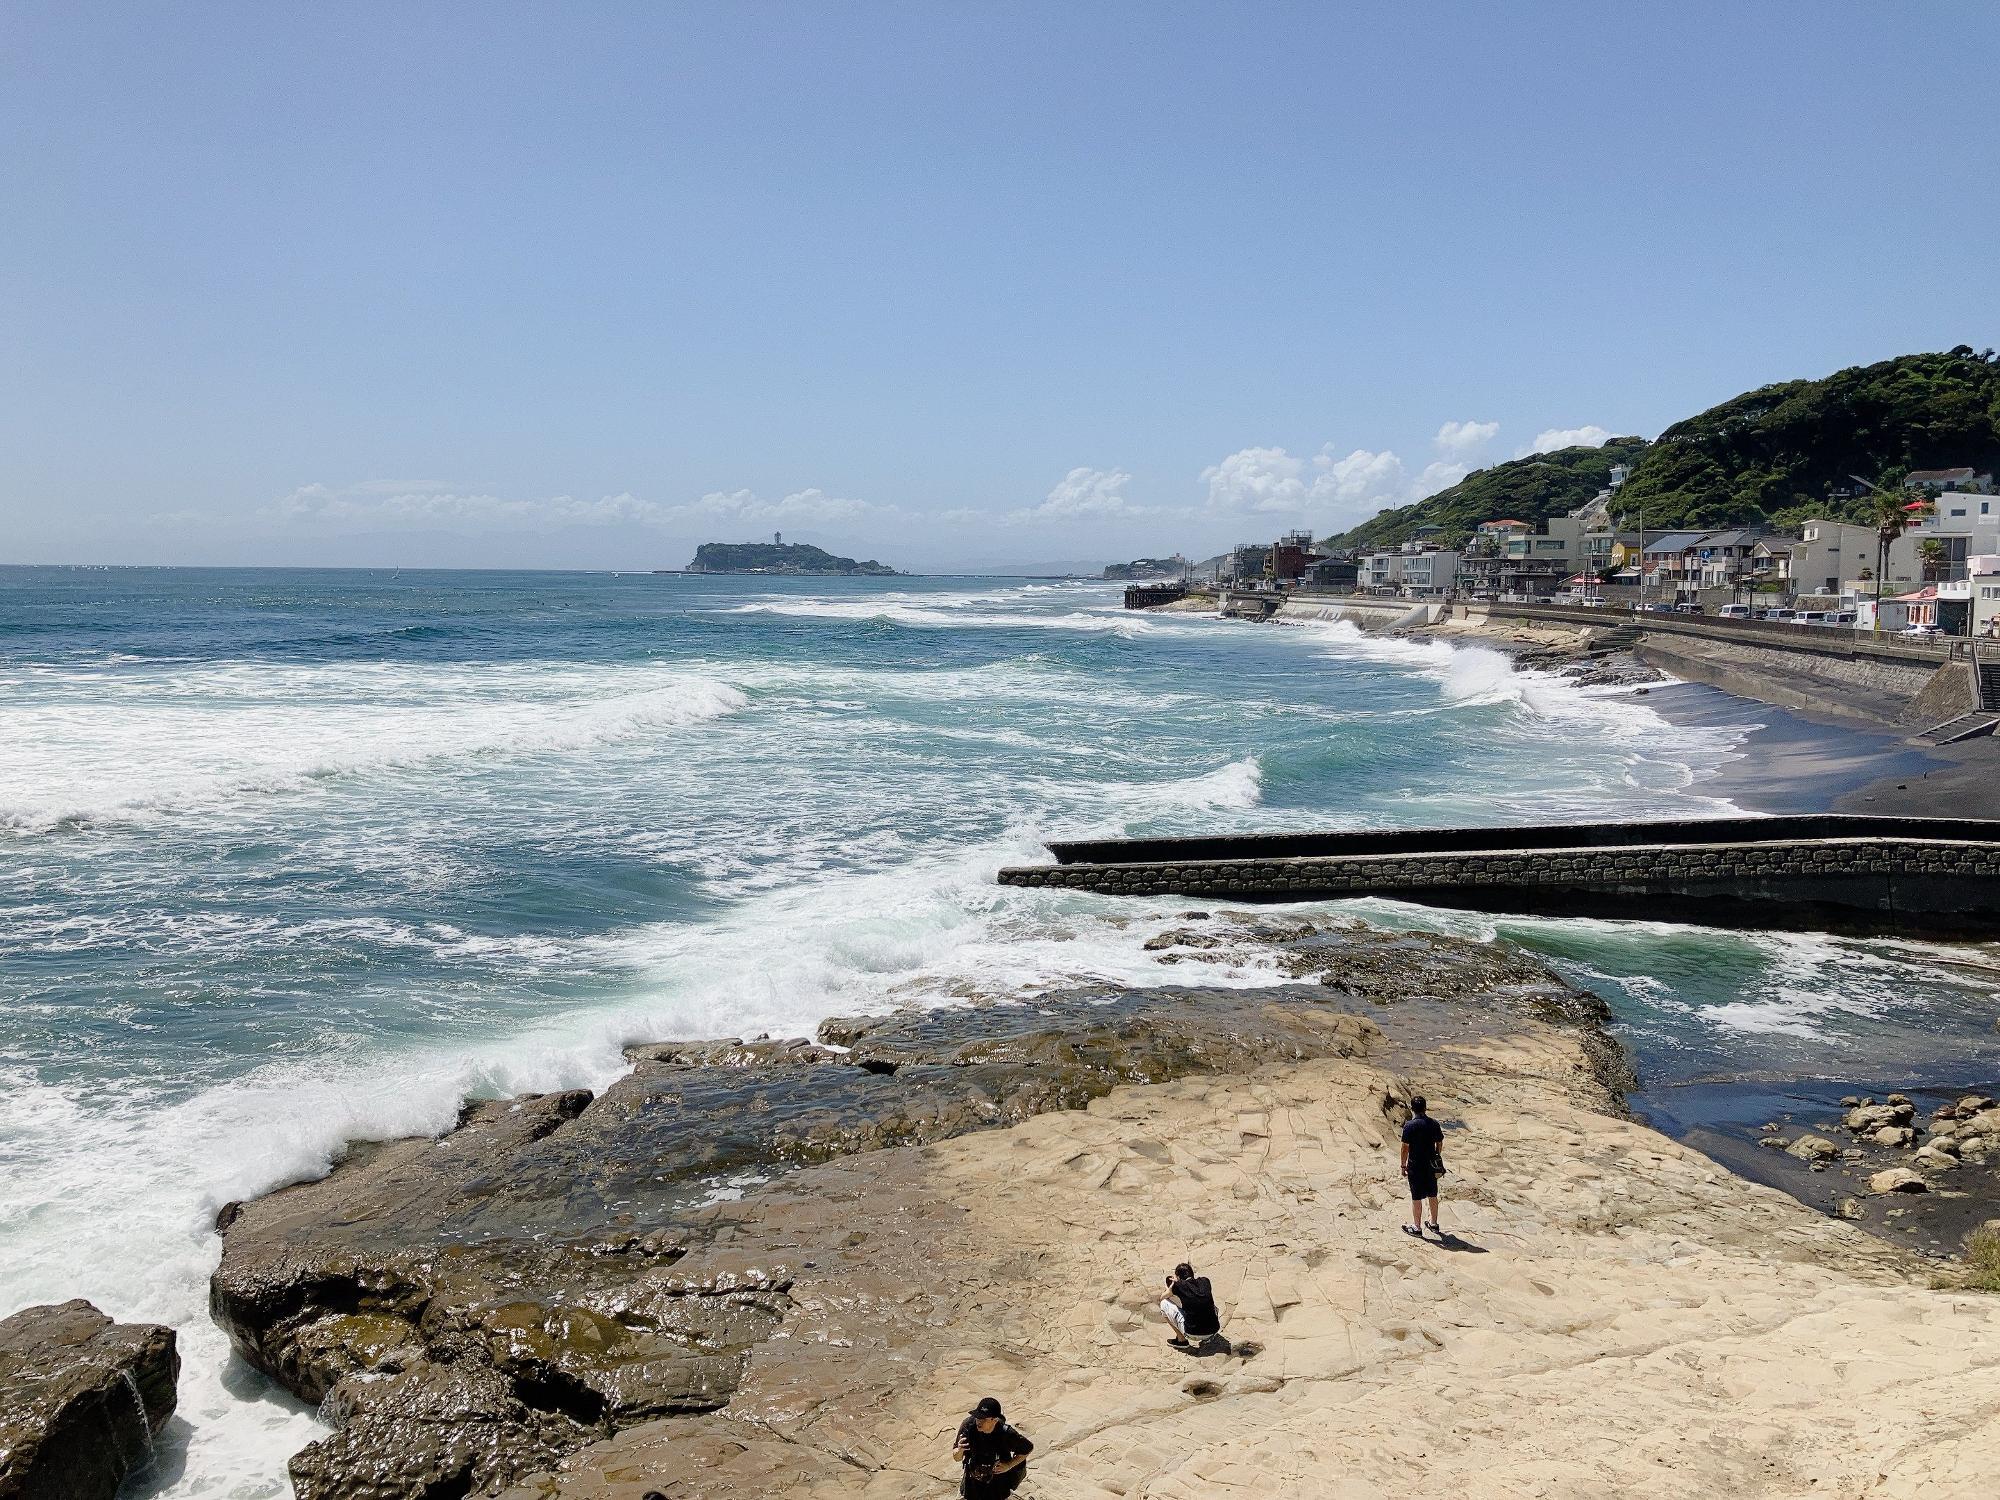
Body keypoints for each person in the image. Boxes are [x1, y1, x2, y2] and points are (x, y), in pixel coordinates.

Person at [953, 1397, 1032, 1498]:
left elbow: (1027, 1448)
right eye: (977, 1417)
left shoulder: (1006, 1433)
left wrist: (1009, 1465)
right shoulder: (969, 1427)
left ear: (994, 1420)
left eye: (983, 1418)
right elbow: (956, 1458)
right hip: (972, 1482)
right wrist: (960, 1451)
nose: (978, 1421)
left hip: (997, 1483)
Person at [1400, 1094, 1445, 1237]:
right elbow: (1439, 1142)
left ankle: (1417, 1227)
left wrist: (1403, 1165)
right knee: (1432, 1194)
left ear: (1412, 1109)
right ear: (1425, 1108)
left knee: (1416, 1196)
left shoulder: (1409, 1126)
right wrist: (1437, 1155)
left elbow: (1405, 1147)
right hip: (1431, 1165)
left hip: (1415, 1165)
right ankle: (1434, 1223)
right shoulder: (1434, 1124)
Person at [1160, 1261, 1221, 1348]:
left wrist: (1172, 1287)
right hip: (1213, 1330)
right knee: (1209, 1305)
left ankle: (1181, 1340)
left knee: (1164, 1304)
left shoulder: (1179, 1286)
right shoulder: (1205, 1281)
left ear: (1178, 1277)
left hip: (1192, 1333)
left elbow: (1162, 1297)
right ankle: (1208, 1338)